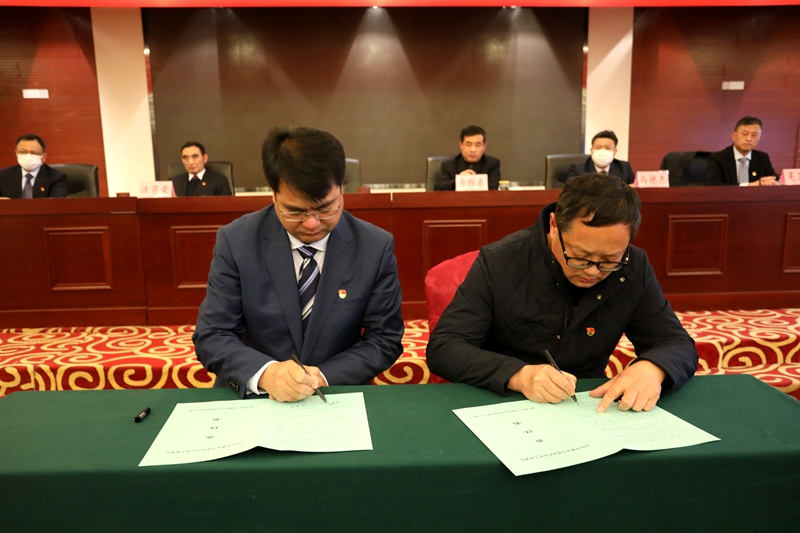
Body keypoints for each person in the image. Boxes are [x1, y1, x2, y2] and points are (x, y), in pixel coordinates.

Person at [427, 174, 697, 413]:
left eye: (609, 260)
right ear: (554, 225)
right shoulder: (501, 261)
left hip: (586, 406)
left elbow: (676, 342)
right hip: (502, 402)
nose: (592, 271)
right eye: (580, 256)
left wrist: (653, 367)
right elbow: (445, 347)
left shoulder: (633, 266)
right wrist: (518, 375)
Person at [193, 126, 404, 402]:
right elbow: (212, 334)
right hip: (254, 397)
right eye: (295, 211)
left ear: (342, 190)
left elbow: (385, 339)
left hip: (336, 394)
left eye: (325, 208)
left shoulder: (374, 246)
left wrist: (323, 375)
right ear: (273, 195)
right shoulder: (236, 241)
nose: (312, 223)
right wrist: (267, 374)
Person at [705, 116, 778, 186]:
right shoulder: (718, 158)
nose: (749, 139)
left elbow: (774, 180)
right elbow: (712, 185)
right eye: (744, 134)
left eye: (754, 135)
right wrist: (749, 185)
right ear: (734, 135)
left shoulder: (762, 158)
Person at [0, 134, 67, 199]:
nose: (28, 157)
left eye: (34, 153)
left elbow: (57, 203)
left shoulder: (56, 177)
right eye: (23, 152)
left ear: (43, 157)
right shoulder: (2, 175)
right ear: (17, 153)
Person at [435, 125, 501, 190]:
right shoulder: (448, 165)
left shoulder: (492, 164)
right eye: (468, 144)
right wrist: (459, 181)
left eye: (478, 145)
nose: (473, 150)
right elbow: (439, 187)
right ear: (461, 145)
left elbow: (493, 188)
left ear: (484, 146)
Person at [565, 130, 635, 184]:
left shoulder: (624, 168)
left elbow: (633, 190)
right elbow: (570, 190)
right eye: (598, 147)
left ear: (615, 152)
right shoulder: (578, 169)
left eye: (608, 148)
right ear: (592, 151)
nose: (602, 151)